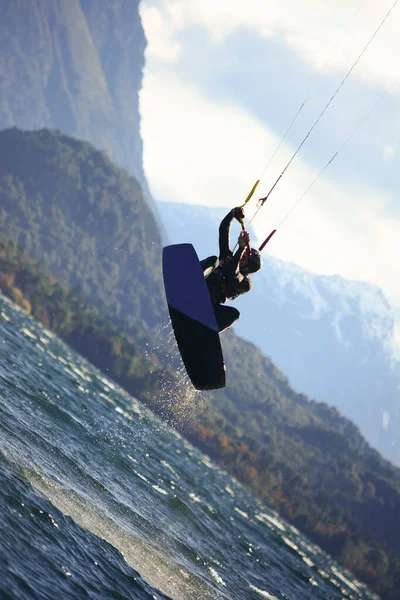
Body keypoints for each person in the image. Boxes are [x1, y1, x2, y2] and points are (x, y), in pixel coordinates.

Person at [200, 206, 263, 333]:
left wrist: (241, 249)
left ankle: (205, 332)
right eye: (242, 256)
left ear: (248, 268)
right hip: (199, 284)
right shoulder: (227, 256)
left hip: (208, 304)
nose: (240, 258)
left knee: (234, 314)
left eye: (244, 259)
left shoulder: (245, 284)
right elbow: (223, 230)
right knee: (213, 260)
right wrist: (233, 213)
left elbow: (232, 274)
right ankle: (190, 280)